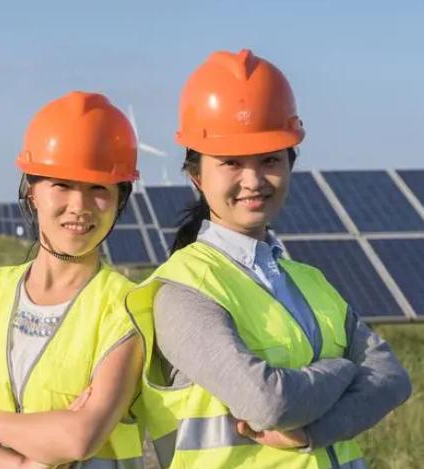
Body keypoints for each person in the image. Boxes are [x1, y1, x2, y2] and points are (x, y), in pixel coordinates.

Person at [125, 49, 411, 469]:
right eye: (230, 163)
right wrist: (343, 369)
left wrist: (311, 432)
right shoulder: (182, 290)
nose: (254, 180)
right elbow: (267, 404)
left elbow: (392, 381)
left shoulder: (310, 280)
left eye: (270, 160)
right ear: (195, 176)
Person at [0, 91, 144, 469]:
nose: (79, 207)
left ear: (120, 199)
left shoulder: (129, 308)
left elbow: (79, 437)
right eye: (62, 185)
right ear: (31, 191)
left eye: (99, 188)